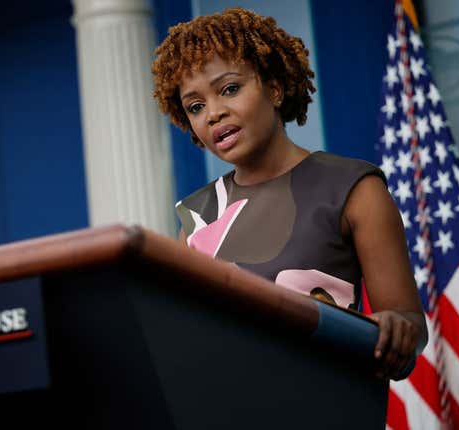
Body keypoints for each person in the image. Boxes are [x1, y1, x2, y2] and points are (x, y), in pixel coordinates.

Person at [151, 7, 427, 380]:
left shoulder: (354, 188)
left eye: (230, 89)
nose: (213, 113)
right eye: (196, 107)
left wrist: (395, 330)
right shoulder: (197, 219)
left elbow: (408, 328)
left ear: (275, 89)